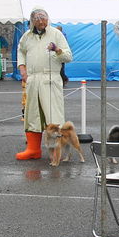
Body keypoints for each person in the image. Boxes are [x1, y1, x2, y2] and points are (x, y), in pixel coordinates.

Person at [15, 8, 72, 161]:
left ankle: (58, 151)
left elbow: (68, 57)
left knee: (53, 116)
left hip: (50, 79)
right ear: (32, 21)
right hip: (33, 80)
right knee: (32, 115)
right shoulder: (27, 36)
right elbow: (21, 51)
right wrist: (22, 69)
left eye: (43, 18)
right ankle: (33, 149)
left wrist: (57, 50)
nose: (41, 22)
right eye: (37, 19)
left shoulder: (56, 34)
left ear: (48, 19)